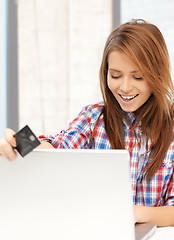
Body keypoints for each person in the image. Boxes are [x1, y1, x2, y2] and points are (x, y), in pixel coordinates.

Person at [0, 19, 174, 227]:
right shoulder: (94, 118)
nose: (125, 87)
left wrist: (132, 213)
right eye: (115, 75)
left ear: (158, 74)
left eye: (138, 77)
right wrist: (19, 143)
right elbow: (57, 145)